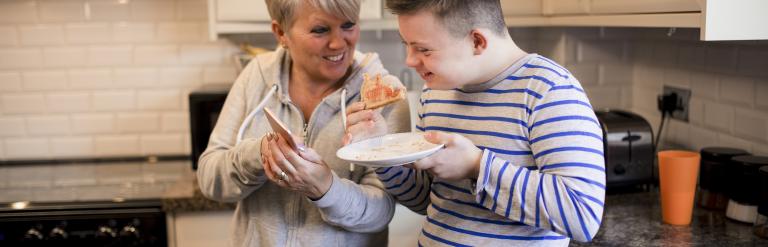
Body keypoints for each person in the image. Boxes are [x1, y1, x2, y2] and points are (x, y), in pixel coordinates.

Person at [345, 0, 605, 246]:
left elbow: (582, 215)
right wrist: (378, 150)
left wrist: (477, 167)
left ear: (477, 41)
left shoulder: (550, 90)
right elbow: (426, 200)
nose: (410, 60)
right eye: (407, 45)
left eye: (423, 49)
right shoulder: (434, 92)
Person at [196, 0, 411, 246]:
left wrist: (326, 188)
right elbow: (209, 177)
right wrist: (258, 156)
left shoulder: (384, 96)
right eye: (320, 30)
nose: (338, 43)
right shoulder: (255, 76)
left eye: (349, 25)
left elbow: (382, 212)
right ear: (280, 33)